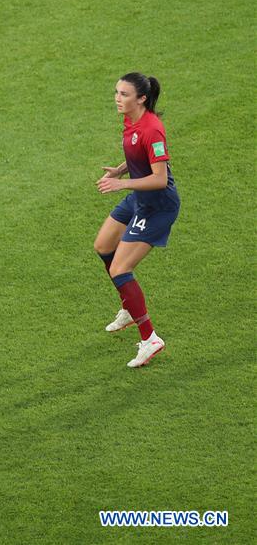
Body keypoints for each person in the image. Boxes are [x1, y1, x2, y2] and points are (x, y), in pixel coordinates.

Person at [94, 73, 180, 368]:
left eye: (124, 94)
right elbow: (136, 152)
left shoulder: (152, 129)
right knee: (103, 245)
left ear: (141, 98)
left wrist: (122, 184)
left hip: (157, 206)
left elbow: (159, 178)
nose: (118, 98)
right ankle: (129, 308)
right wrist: (120, 170)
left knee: (120, 268)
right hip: (139, 199)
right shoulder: (132, 121)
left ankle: (150, 338)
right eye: (116, 92)